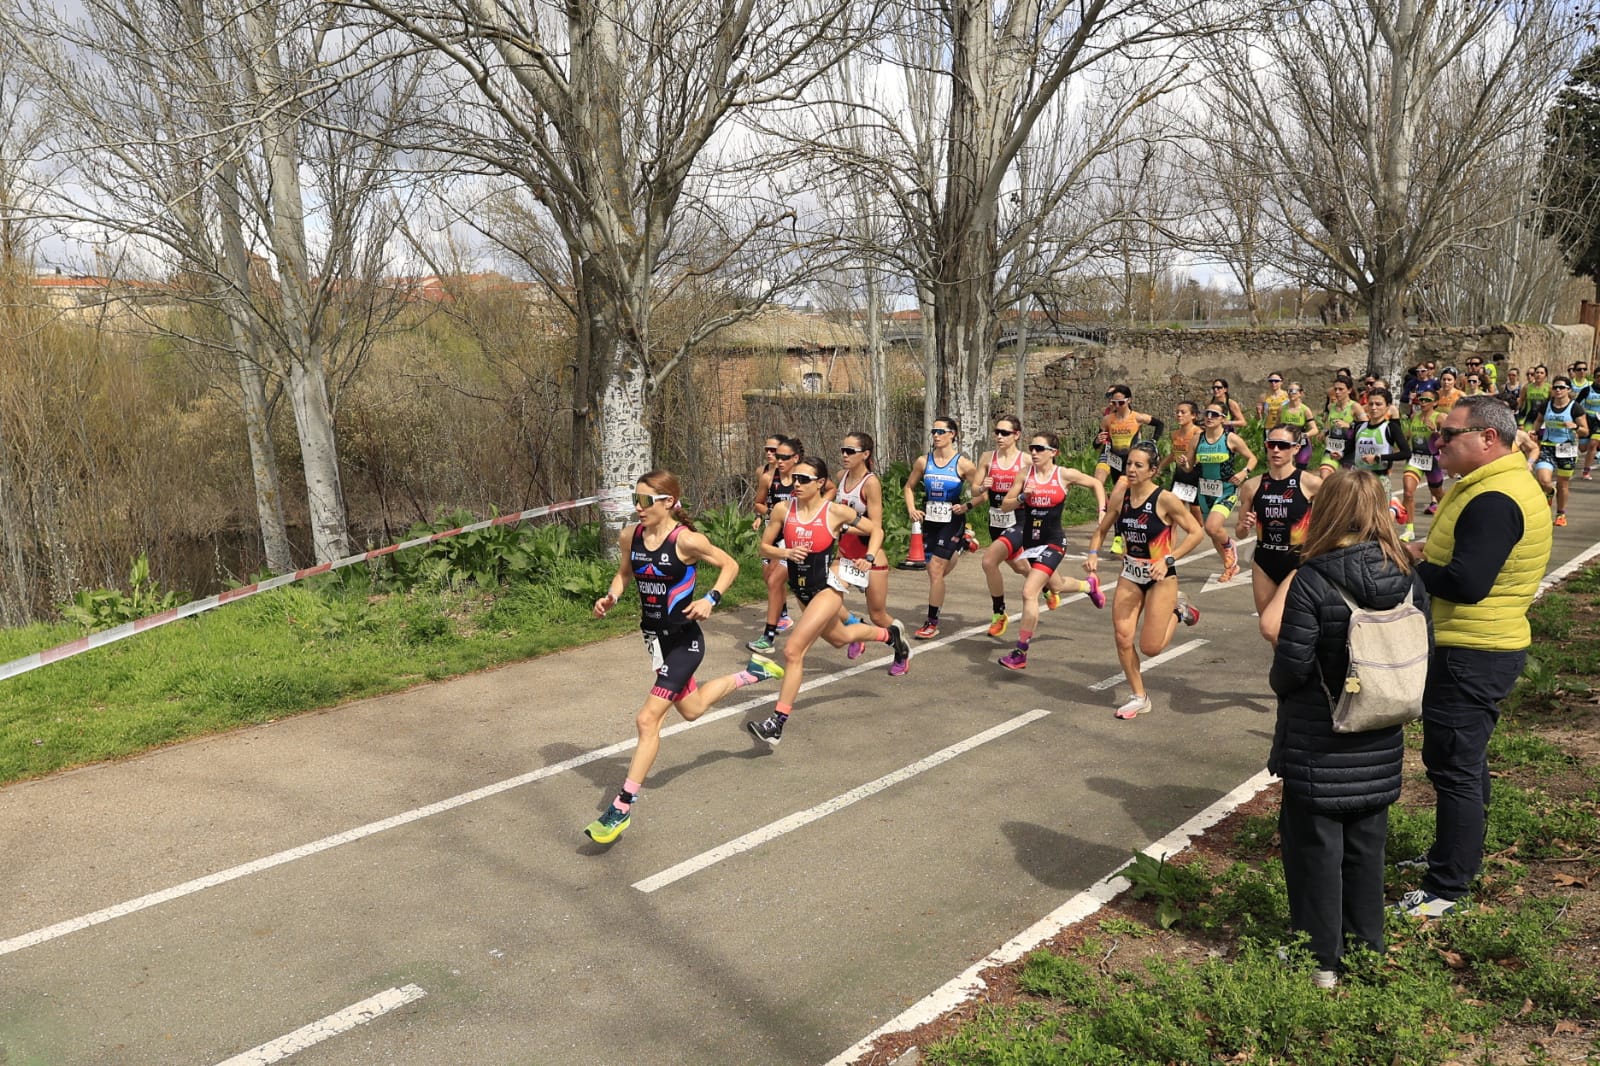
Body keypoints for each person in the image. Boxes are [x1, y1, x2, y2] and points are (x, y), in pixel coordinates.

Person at [1261, 469, 1431, 985]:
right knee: (1366, 847)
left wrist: (1286, 690)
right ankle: (1367, 947)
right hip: (1382, 727)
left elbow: (1291, 664)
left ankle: (1321, 960)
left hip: (1322, 733)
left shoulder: (1315, 577)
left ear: (1326, 511)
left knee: (1315, 848)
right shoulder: (1406, 571)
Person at [1398, 394, 1553, 917]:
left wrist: (1412, 567)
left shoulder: (1496, 498)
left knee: (1455, 767)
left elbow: (1467, 583)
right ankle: (1453, 857)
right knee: (1462, 762)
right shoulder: (1490, 485)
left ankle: (1447, 889)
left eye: (1449, 434)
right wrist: (1429, 554)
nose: (1437, 443)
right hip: (1475, 644)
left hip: (1474, 648)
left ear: (1488, 438)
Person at [586, 471, 786, 843]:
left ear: (666, 502)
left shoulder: (688, 541)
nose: (637, 507)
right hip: (655, 641)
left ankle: (621, 807)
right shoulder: (631, 536)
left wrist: (711, 599)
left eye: (645, 500)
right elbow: (624, 574)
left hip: (684, 642)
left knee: (647, 720)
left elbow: (730, 565)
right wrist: (611, 597)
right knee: (691, 709)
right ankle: (752, 674)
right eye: (635, 499)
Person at [748, 457, 912, 746]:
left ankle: (777, 723)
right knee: (841, 638)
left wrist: (869, 557)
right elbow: (765, 546)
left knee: (793, 650)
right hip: (802, 591)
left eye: (804, 479)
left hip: (828, 587)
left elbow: (877, 529)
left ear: (820, 483)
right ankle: (891, 636)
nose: (796, 484)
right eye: (795, 478)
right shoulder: (783, 510)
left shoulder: (835, 512)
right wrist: (784, 554)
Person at [1085, 443, 1206, 719]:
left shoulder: (1165, 499)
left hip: (1160, 576)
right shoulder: (1122, 497)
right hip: (1130, 573)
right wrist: (1092, 555)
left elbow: (1196, 533)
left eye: (1139, 465)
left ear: (1153, 471)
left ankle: (1179, 609)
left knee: (1151, 647)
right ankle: (1139, 696)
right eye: (1129, 464)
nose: (1131, 469)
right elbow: (1101, 531)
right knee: (1122, 637)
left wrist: (1169, 560)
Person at [987, 431, 1107, 670]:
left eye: (1040, 449)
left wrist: (1102, 509)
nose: (1034, 452)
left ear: (1054, 453)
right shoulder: (1025, 474)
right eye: (1032, 448)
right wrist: (1023, 496)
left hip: (1054, 541)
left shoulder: (1063, 474)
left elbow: (1095, 483)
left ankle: (1021, 651)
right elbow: (1004, 506)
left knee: (1029, 591)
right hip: (1031, 543)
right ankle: (1088, 586)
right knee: (1057, 585)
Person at [903, 416, 980, 639]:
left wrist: (967, 505)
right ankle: (963, 544)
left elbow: (981, 493)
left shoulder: (963, 464)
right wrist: (911, 509)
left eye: (941, 432)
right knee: (935, 572)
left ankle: (931, 622)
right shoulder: (923, 461)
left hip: (952, 520)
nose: (936, 436)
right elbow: (908, 487)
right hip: (931, 521)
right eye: (934, 432)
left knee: (935, 569)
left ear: (953, 434)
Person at [1235, 424, 1322, 616]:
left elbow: (1332, 517)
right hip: (1264, 560)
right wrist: (1244, 525)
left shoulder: (1311, 483)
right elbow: (1239, 533)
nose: (1275, 450)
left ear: (1296, 449)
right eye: (1271, 444)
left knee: (1280, 625)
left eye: (1282, 445)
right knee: (1269, 627)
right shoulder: (1252, 486)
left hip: (1298, 559)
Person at [834, 431, 900, 670]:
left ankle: (900, 647)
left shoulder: (871, 483)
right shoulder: (841, 476)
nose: (844, 455)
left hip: (870, 558)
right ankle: (855, 627)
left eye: (850, 451)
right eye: (843, 450)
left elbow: (876, 527)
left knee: (878, 616)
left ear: (865, 454)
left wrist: (846, 529)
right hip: (845, 556)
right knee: (822, 594)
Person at [976, 415, 1031, 637]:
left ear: (1016, 435)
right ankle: (1048, 585)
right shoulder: (988, 458)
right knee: (1019, 567)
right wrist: (982, 487)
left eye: (1004, 433)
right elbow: (974, 489)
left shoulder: (1026, 460)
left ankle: (999, 613)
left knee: (989, 562)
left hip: (1019, 520)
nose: (999, 436)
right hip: (996, 519)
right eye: (997, 432)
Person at [1191, 401, 1257, 581]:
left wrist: (1244, 472)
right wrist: (1184, 463)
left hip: (1226, 489)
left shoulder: (1230, 439)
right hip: (1205, 490)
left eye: (1214, 414)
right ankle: (1229, 566)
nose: (1209, 417)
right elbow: (1190, 466)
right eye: (1207, 413)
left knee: (1213, 526)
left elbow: (1252, 458)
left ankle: (1229, 545)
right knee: (1212, 532)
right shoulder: (1197, 438)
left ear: (1223, 419)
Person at [748, 437, 803, 653]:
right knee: (771, 580)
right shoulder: (767, 477)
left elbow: (828, 489)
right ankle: (775, 628)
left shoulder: (804, 478)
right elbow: (759, 503)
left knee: (809, 592)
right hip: (775, 537)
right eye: (773, 453)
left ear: (795, 458)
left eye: (781, 455)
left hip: (800, 539)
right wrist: (770, 514)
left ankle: (852, 626)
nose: (776, 459)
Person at [1531, 375, 1588, 527]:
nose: (1558, 390)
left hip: (1566, 448)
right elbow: (1538, 420)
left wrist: (1575, 427)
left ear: (1568, 390)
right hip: (1548, 445)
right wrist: (1534, 432)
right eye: (1555, 387)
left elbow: (1585, 431)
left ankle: (1560, 513)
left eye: (1561, 387)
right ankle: (1550, 491)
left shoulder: (1575, 407)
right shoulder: (1547, 405)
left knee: (1563, 484)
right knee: (1543, 479)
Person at [1093, 384, 1163, 492]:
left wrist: (1153, 441)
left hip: (1130, 459)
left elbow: (1159, 424)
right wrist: (1098, 440)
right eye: (1114, 402)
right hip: (1114, 459)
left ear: (1129, 400)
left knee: (1121, 488)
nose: (1117, 406)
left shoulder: (1137, 417)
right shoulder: (1107, 420)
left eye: (1121, 403)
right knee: (1120, 490)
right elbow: (1095, 445)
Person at [1398, 392, 1446, 541]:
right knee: (1408, 493)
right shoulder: (1415, 417)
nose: (1423, 402)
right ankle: (1409, 529)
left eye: (1427, 400)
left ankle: (1446, 523)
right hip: (1416, 459)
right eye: (1421, 399)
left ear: (1435, 403)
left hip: (1433, 460)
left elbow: (1447, 440)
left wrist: (1436, 432)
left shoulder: (1440, 417)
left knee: (1438, 495)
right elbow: (1408, 436)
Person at [1319, 377, 1365, 475]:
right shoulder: (1331, 406)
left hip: (1349, 449)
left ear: (1349, 390)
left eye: (1341, 389)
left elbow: (1366, 426)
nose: (1337, 392)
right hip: (1333, 447)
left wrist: (1350, 425)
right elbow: (1329, 422)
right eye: (1335, 389)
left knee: (1347, 481)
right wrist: (1324, 431)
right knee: (1324, 474)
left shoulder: (1355, 407)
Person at [1278, 383, 1320, 468]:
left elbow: (1315, 429)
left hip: (1301, 443)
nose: (1290, 393)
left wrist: (1304, 435)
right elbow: (1277, 426)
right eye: (1289, 391)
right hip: (1286, 443)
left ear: (1300, 393)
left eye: (1293, 391)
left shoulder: (1305, 410)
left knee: (1300, 468)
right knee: (1284, 468)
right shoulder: (1282, 409)